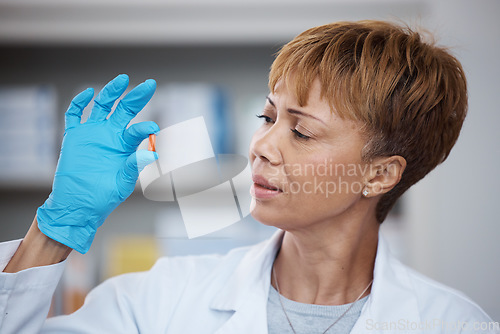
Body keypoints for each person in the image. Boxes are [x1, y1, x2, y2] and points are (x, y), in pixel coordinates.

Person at [0, 20, 497, 334]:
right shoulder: (159, 301)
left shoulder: (454, 325)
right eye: (267, 117)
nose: (261, 146)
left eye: (301, 132)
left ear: (381, 174)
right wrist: (54, 230)